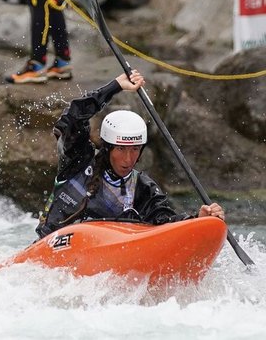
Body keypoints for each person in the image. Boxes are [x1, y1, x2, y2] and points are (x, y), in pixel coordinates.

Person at [36, 69, 226, 238]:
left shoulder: (142, 187)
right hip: (50, 251)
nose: (128, 159)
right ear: (108, 146)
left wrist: (198, 220)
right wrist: (114, 87)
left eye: (135, 149)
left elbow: (165, 223)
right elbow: (73, 118)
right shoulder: (77, 160)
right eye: (121, 149)